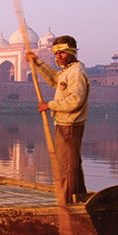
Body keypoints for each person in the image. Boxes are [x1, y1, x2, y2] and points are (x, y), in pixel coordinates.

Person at [26, 35, 89, 203]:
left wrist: (49, 105)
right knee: (72, 164)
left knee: (66, 166)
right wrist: (37, 63)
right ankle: (78, 197)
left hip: (70, 125)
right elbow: (55, 79)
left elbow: (76, 100)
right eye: (56, 53)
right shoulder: (69, 71)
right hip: (65, 123)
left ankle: (67, 203)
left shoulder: (76, 73)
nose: (58, 56)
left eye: (62, 52)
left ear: (72, 52)